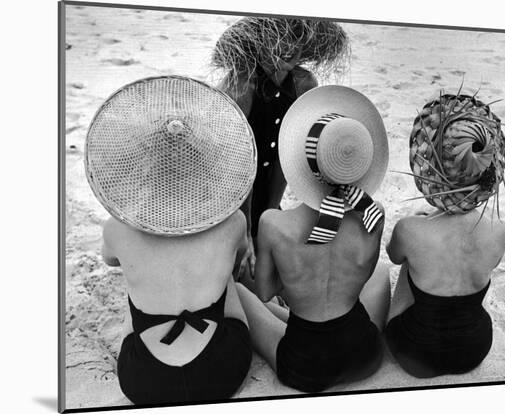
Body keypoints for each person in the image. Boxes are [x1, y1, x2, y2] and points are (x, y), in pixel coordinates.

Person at [84, 76, 256, 404]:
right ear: (209, 166)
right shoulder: (232, 222)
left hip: (144, 380)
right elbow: (240, 258)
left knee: (136, 287)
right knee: (226, 282)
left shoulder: (117, 228)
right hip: (220, 372)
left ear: (141, 164)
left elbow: (110, 259)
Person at [235, 86, 390, 392]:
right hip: (364, 354)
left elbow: (266, 291)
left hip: (305, 366)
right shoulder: (373, 214)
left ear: (303, 164)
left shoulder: (274, 223)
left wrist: (298, 281)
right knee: (382, 274)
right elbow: (364, 276)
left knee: (240, 292)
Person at [211, 17, 350, 280]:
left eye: (296, 36)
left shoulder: (304, 83)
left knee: (269, 227)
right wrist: (247, 233)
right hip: (233, 179)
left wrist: (269, 217)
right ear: (257, 41)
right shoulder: (242, 85)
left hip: (273, 169)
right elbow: (235, 163)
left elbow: (289, 153)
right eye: (276, 37)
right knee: (239, 260)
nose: (288, 45)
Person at [384, 93, 505, 378]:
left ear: (430, 169)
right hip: (476, 348)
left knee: (410, 259)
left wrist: (425, 224)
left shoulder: (409, 229)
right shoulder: (500, 231)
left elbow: (394, 256)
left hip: (414, 354)